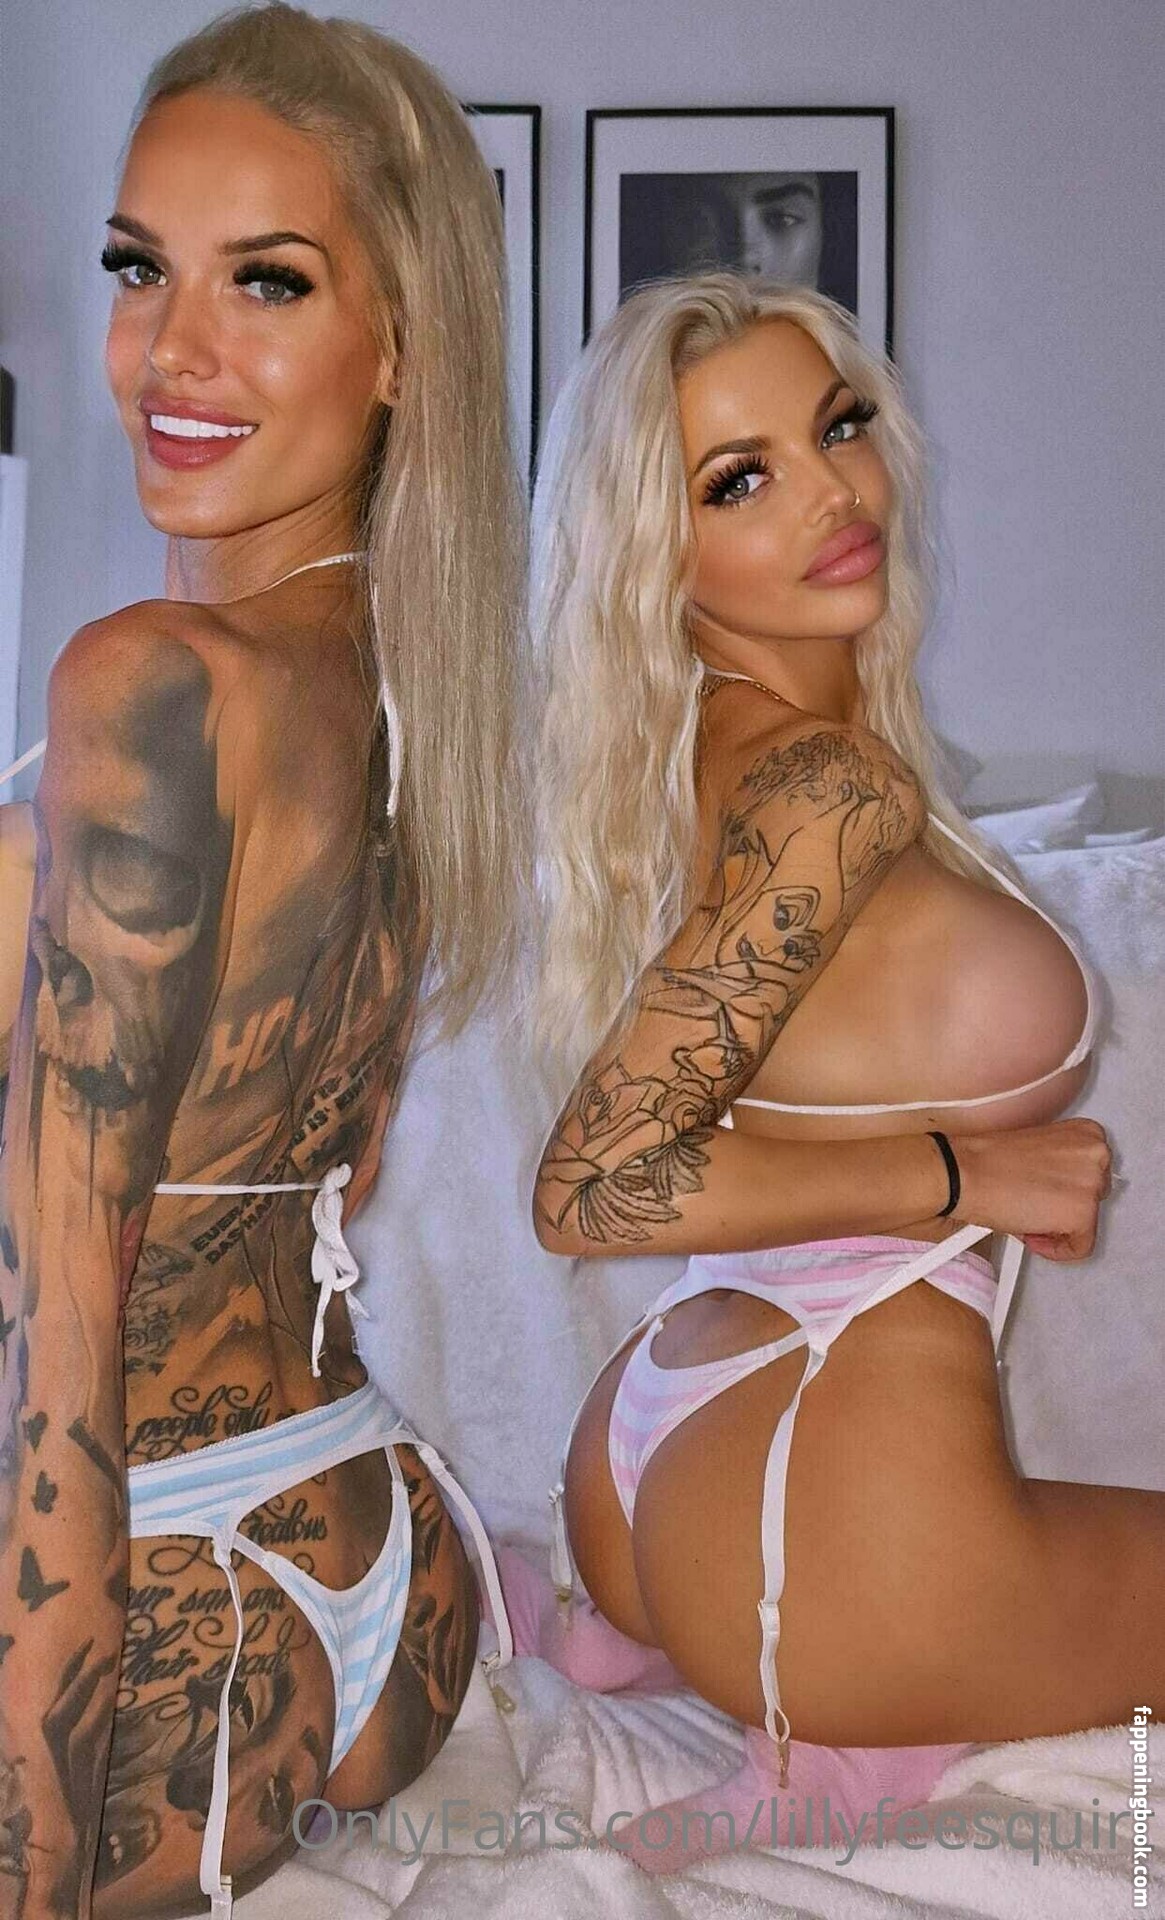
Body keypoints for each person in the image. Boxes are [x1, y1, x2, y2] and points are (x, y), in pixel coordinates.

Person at [509, 270, 1160, 1874]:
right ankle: (842, 1733)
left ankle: (643, 1643)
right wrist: (963, 1173)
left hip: (672, 1463)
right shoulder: (823, 788)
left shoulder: (699, 762)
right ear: (655, 551)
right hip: (828, 1529)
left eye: (837, 427)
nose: (830, 493)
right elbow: (596, 1181)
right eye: (739, 480)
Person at [0, 5, 525, 1914]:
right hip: (379, 1575)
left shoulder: (153, 687)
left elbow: (59, 1369)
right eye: (140, 267)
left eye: (268, 280)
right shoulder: (398, 694)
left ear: (403, 345)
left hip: (162, 1620)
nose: (172, 351)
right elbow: (317, 1164)